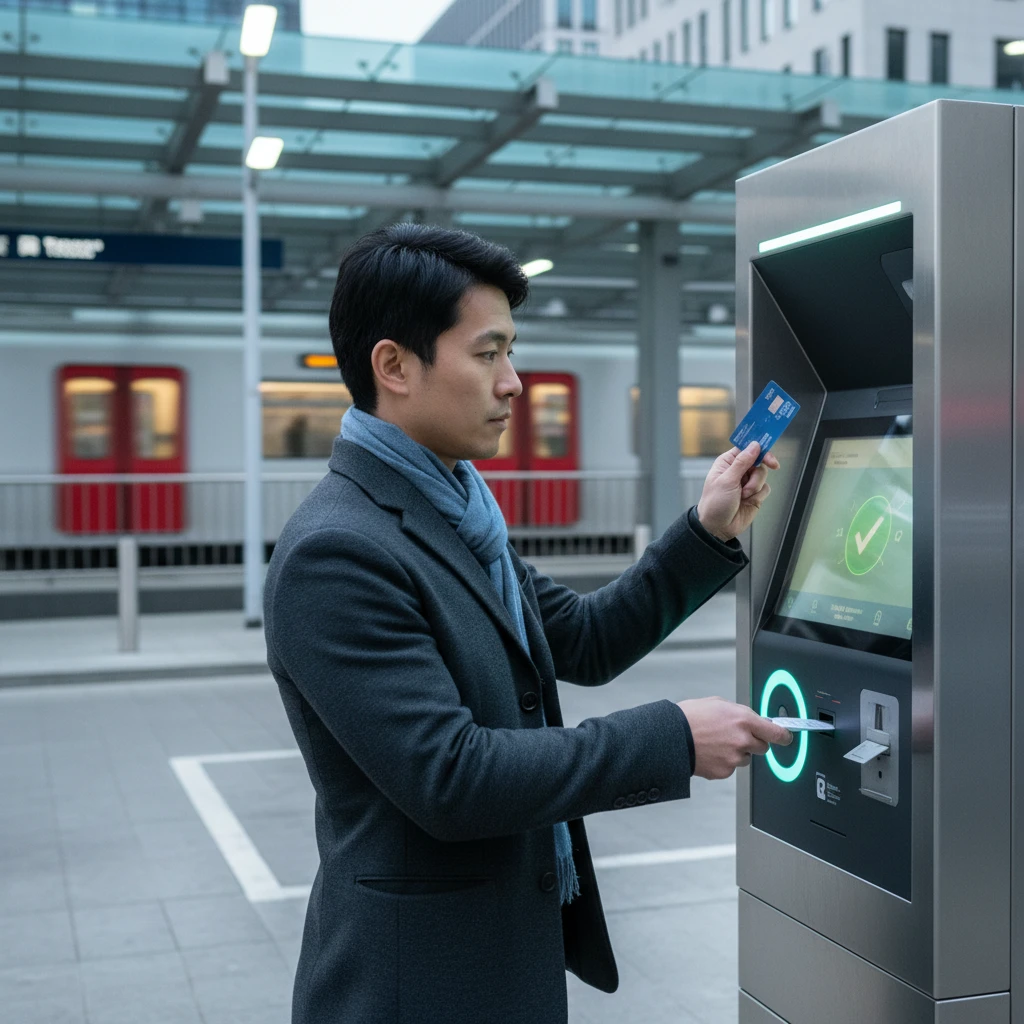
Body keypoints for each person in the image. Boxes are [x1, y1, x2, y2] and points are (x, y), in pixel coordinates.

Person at [262, 223, 793, 1024]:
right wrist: (674, 738)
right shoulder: (338, 552)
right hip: (417, 987)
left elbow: (583, 637)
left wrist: (706, 529)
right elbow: (451, 778)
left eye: (511, 353)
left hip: (497, 959)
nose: (513, 382)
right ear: (394, 366)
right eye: (488, 354)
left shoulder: (455, 514)